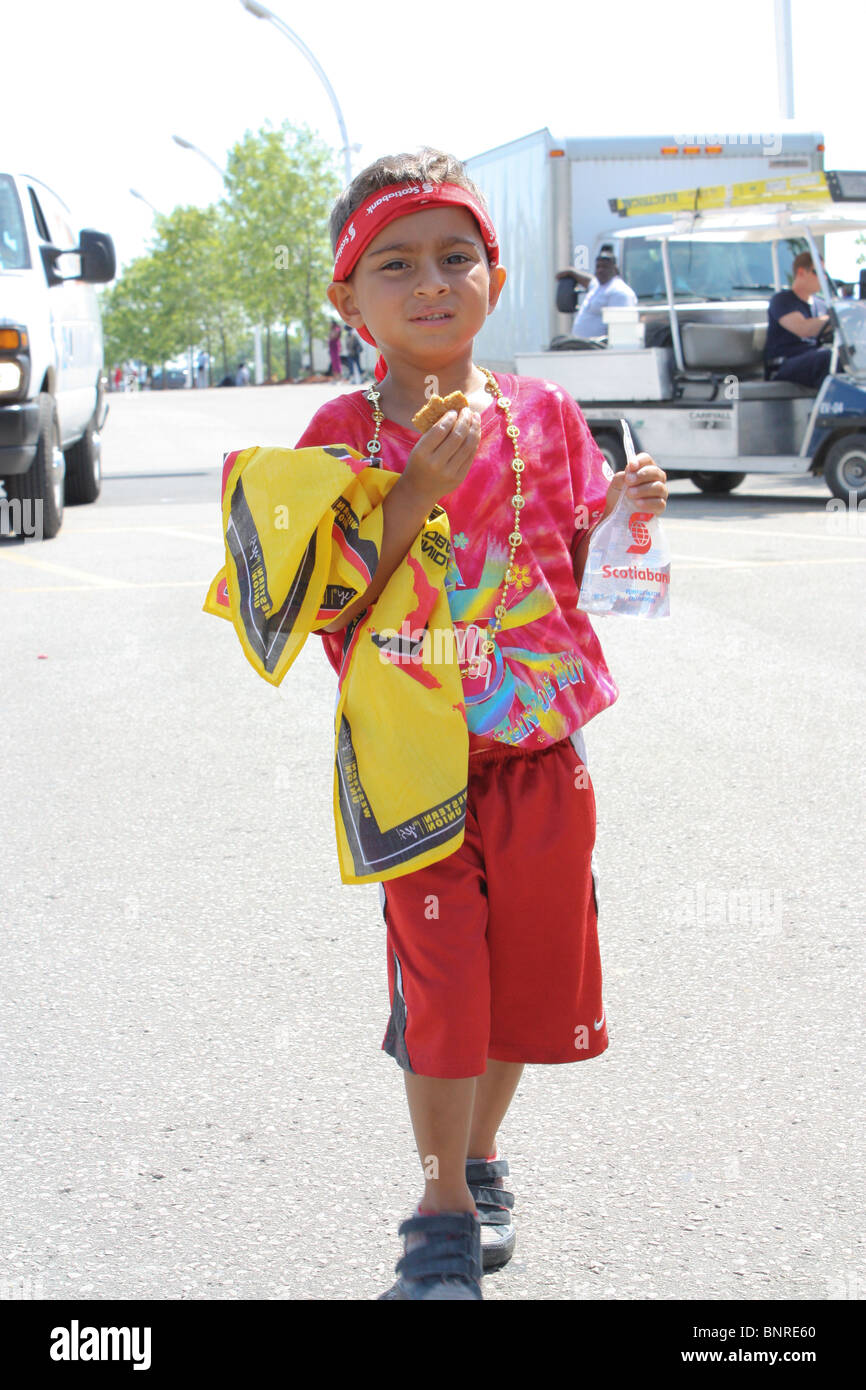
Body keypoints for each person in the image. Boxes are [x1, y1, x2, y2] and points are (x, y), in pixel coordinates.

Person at [286, 149, 667, 1300]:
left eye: (456, 257)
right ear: (348, 300)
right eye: (393, 264)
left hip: (543, 753)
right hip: (414, 762)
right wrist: (406, 497)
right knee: (444, 980)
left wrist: (623, 514)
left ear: (494, 278)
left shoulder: (545, 414)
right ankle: (439, 1206)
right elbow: (316, 600)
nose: (430, 283)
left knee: (521, 984)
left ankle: (481, 1151)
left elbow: (572, 563)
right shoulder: (336, 434)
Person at [765, 252, 832, 389]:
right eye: (818, 272)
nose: (824, 277)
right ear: (801, 272)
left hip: (812, 359)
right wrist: (836, 319)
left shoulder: (821, 305)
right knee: (828, 359)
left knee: (842, 358)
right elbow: (803, 329)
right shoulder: (782, 300)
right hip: (784, 364)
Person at [556, 246, 638, 339]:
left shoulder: (619, 292)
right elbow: (587, 280)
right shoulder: (597, 285)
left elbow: (619, 330)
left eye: (605, 267)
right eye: (598, 267)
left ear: (614, 269)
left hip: (600, 350)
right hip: (582, 346)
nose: (600, 270)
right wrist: (571, 272)